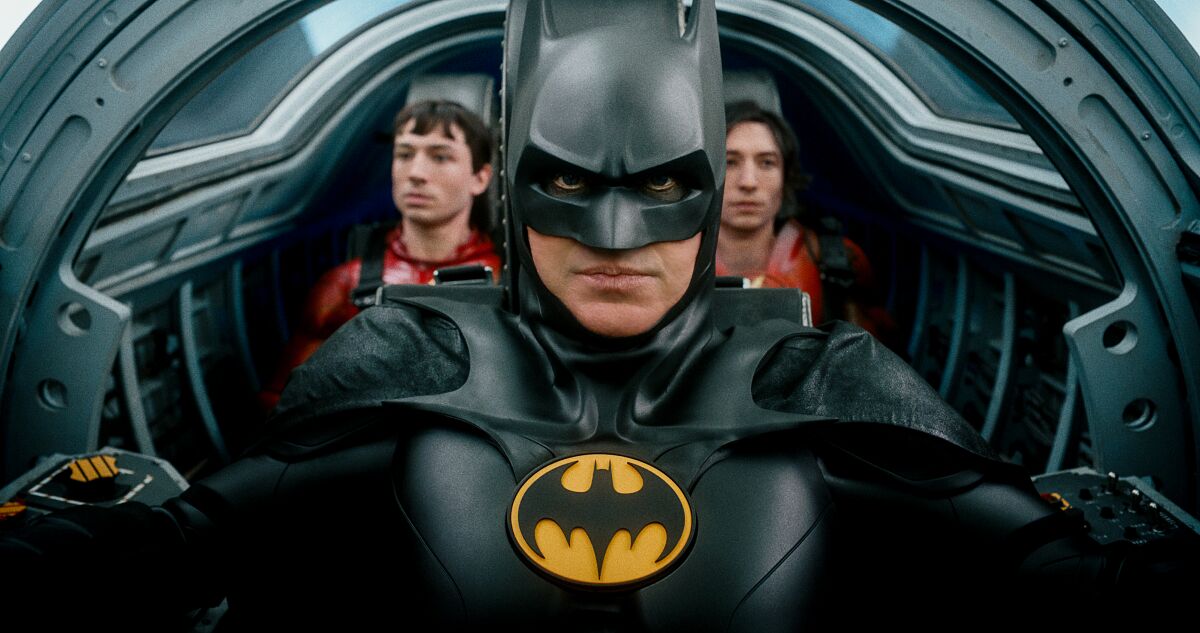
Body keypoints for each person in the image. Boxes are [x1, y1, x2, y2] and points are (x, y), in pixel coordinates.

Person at [1, 1, 1127, 629]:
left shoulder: (819, 375)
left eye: (664, 187)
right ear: (515, 187)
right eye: (572, 185)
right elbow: (192, 538)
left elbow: (1037, 566)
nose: (617, 237)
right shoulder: (411, 352)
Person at [259, 99, 501, 410]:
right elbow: (283, 403)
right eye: (405, 154)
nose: (416, 173)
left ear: (480, 178)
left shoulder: (508, 280)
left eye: (440, 156)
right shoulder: (345, 283)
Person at [717, 100, 893, 337]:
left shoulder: (838, 260)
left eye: (767, 163)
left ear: (786, 176)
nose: (748, 182)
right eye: (730, 162)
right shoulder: (676, 264)